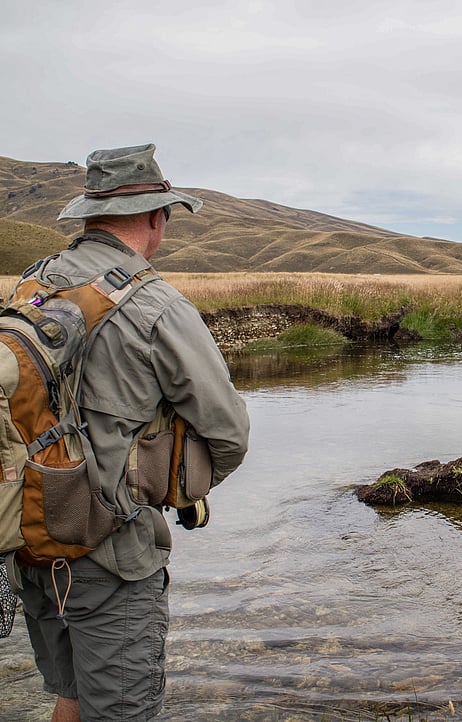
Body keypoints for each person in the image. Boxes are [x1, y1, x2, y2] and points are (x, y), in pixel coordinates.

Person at [8, 144, 250, 721]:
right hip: (112, 554)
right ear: (155, 216)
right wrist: (174, 484)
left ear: (88, 215)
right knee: (124, 710)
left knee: (70, 697)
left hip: (32, 536)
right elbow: (230, 435)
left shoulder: (31, 285)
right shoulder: (158, 305)